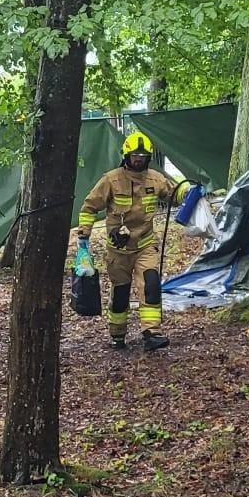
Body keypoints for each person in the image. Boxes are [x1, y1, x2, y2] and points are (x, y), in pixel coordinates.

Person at [75, 132, 192, 349]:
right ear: (126, 155)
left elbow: (174, 193)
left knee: (151, 285)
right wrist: (84, 236)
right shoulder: (111, 180)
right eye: (135, 155)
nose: (139, 159)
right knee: (121, 293)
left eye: (143, 156)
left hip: (145, 244)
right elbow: (89, 207)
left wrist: (188, 191)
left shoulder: (155, 179)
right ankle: (117, 335)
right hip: (118, 250)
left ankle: (152, 333)